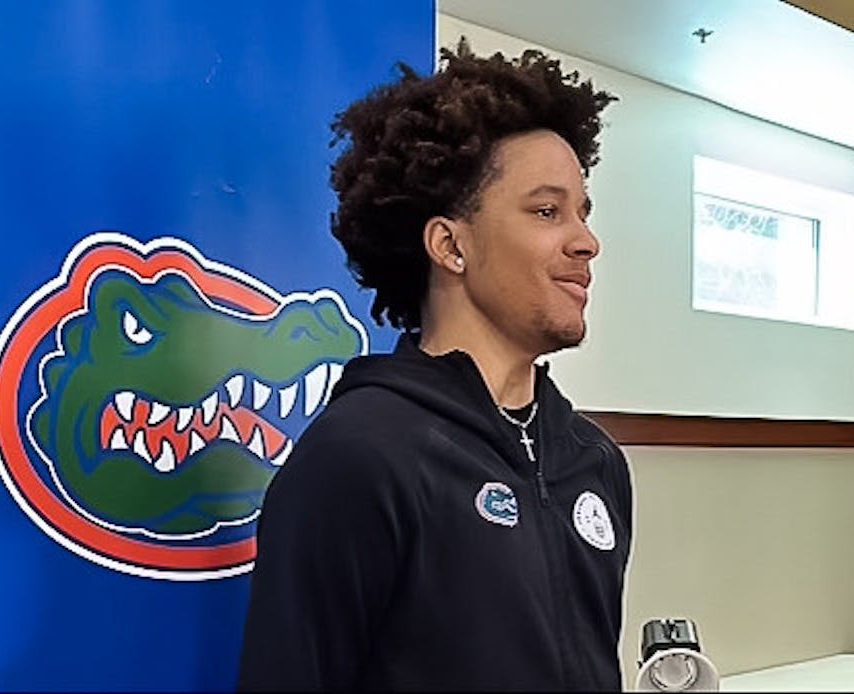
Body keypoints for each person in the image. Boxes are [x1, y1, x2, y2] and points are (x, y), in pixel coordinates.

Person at [238, 38, 632, 691]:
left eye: (582, 213)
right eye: (546, 211)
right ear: (450, 244)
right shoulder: (358, 457)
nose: (586, 241)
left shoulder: (597, 464)